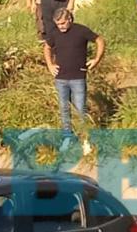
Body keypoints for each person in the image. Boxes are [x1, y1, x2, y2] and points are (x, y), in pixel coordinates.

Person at [43, 8, 105, 150]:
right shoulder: (54, 33)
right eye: (58, 24)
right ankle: (67, 137)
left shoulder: (81, 31)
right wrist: (50, 64)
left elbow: (99, 40)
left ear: (70, 19)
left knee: (80, 109)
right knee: (64, 108)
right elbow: (47, 47)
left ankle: (85, 139)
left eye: (63, 23)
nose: (61, 26)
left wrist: (96, 59)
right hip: (61, 78)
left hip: (78, 77)